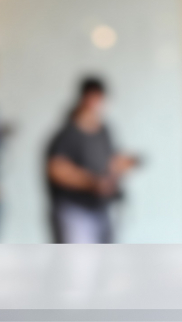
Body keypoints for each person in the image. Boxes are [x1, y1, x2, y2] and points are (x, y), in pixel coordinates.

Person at [46, 77, 138, 243]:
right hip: (74, 211)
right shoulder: (67, 134)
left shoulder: (104, 131)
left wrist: (123, 166)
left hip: (101, 209)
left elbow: (110, 160)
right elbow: (56, 169)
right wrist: (92, 182)